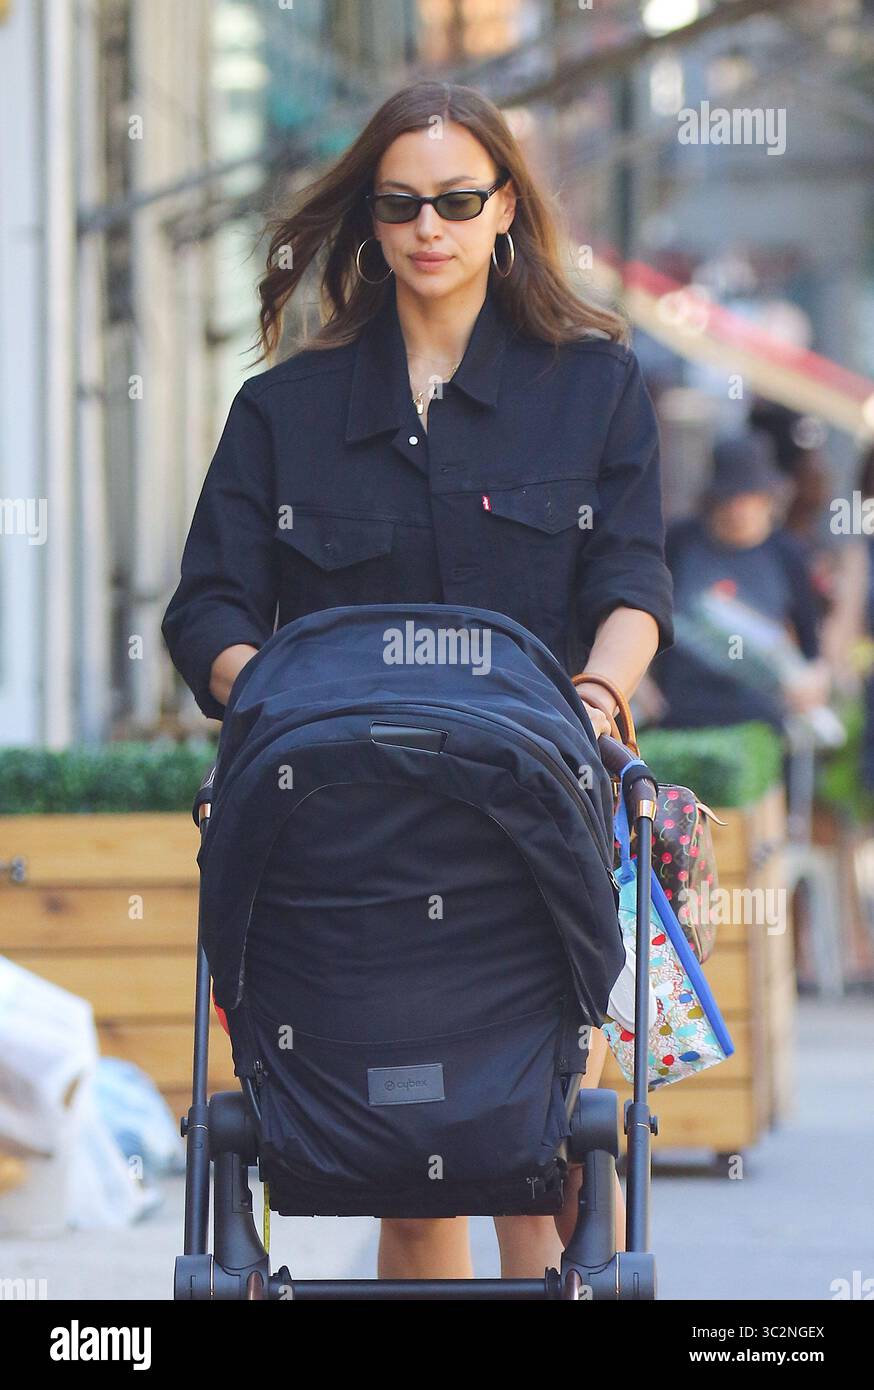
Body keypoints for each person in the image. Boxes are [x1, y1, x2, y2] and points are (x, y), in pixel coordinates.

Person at [161, 80, 674, 1281]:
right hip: (346, 848)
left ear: (505, 208)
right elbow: (208, 610)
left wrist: (591, 706)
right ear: (370, 220)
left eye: (455, 200)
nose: (427, 228)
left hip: (540, 834)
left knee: (546, 1170)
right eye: (400, 205)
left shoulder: (594, 385)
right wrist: (278, 697)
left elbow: (634, 589)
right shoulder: (282, 409)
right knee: (404, 1168)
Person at [649, 431, 829, 733]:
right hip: (680, 715)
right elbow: (647, 613)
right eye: (729, 499)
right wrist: (644, 691)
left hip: (760, 721)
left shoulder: (787, 554)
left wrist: (812, 683)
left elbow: (812, 646)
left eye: (749, 499)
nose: (739, 510)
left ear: (767, 499)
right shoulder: (679, 543)